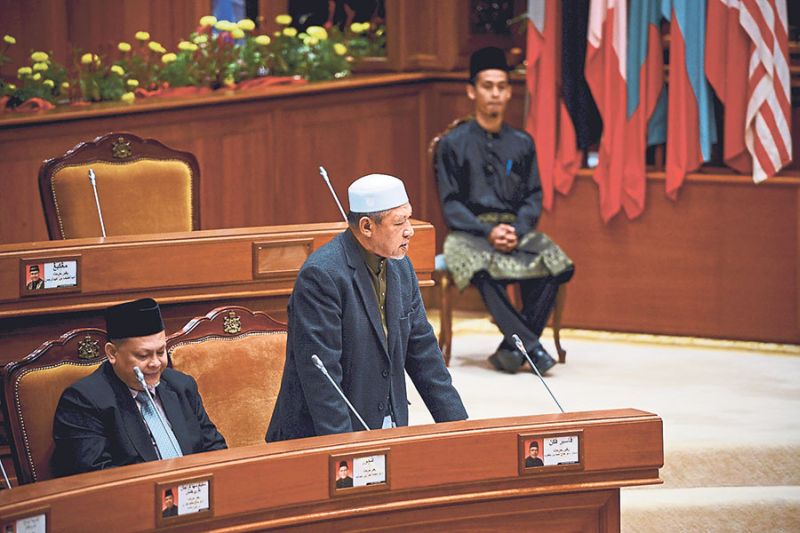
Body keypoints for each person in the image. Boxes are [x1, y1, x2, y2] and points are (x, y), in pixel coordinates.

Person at [266, 174, 468, 442]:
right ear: (366, 226)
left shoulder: (401, 266)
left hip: (388, 425)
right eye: (399, 222)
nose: (410, 229)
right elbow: (322, 377)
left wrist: (459, 427)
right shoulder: (322, 275)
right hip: (322, 436)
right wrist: (346, 452)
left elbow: (424, 353)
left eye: (409, 218)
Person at [434, 46, 574, 376]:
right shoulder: (452, 144)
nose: (495, 93)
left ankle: (513, 350)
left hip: (516, 230)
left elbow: (534, 195)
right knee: (478, 267)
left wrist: (517, 229)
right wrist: (488, 232)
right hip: (471, 233)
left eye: (501, 86)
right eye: (487, 86)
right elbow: (451, 202)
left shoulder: (522, 143)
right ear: (472, 90)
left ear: (509, 92)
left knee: (557, 266)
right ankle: (532, 347)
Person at [52, 298, 227, 477]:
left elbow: (215, 449)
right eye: (143, 356)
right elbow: (97, 477)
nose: (155, 363)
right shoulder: (83, 401)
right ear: (112, 353)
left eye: (160, 352)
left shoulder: (182, 386)